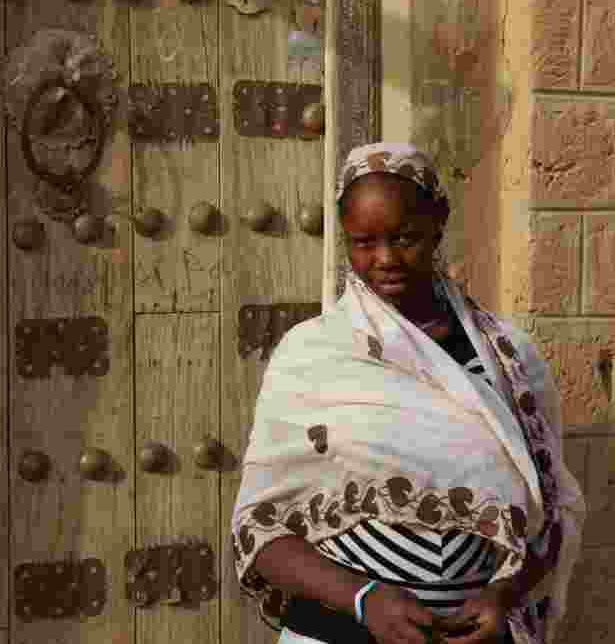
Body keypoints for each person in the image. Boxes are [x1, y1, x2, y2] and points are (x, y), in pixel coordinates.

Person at [230, 143, 586, 644]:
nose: (386, 259)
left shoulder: (507, 359)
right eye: (363, 242)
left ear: (439, 222)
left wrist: (502, 595)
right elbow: (259, 529)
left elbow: (549, 513)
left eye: (406, 238)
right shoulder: (312, 355)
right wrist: (363, 598)